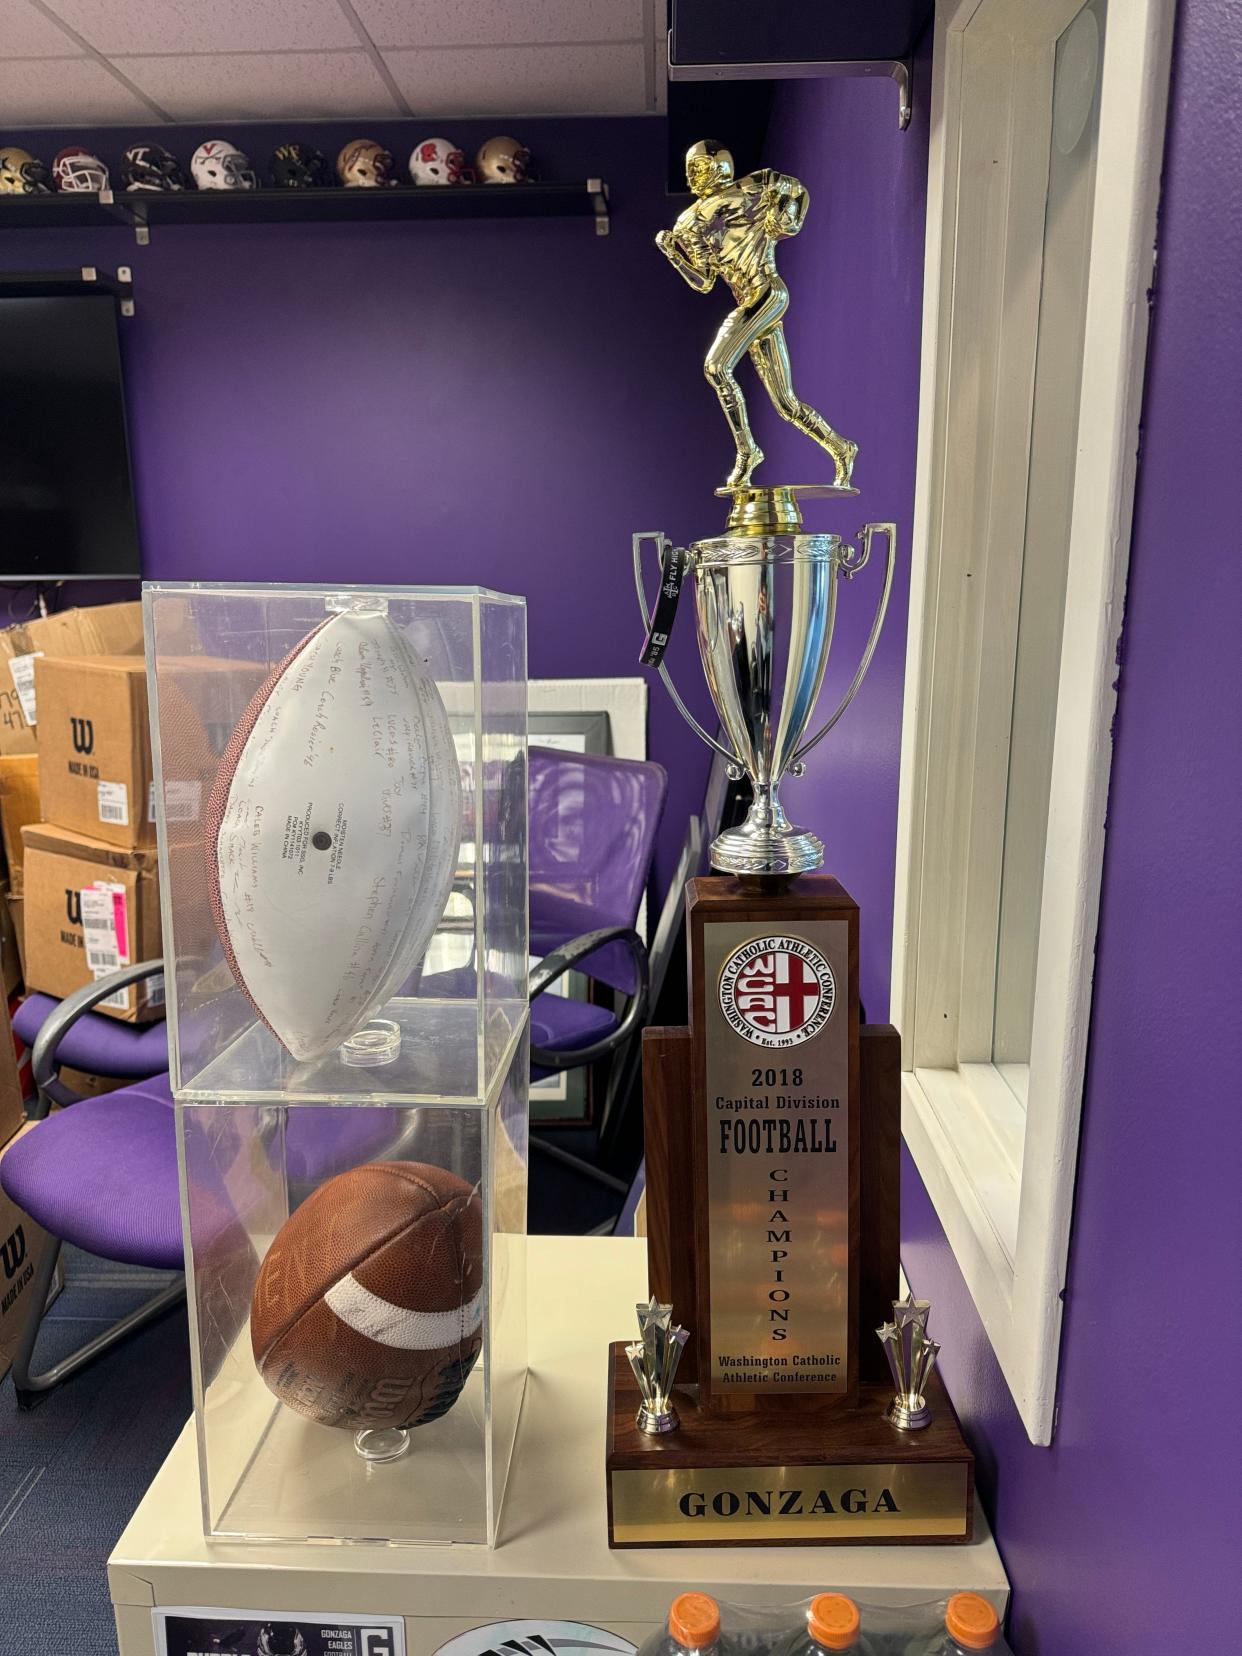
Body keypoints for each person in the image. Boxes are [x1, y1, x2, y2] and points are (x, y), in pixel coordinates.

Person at [657, 139, 857, 490]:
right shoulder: (690, 222)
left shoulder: (751, 190)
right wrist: (673, 255)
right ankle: (841, 447)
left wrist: (784, 218)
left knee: (716, 367)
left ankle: (748, 451)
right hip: (753, 300)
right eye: (690, 168)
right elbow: (703, 282)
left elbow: (793, 193)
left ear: (719, 168)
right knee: (786, 404)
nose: (692, 175)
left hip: (766, 292)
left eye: (699, 166)